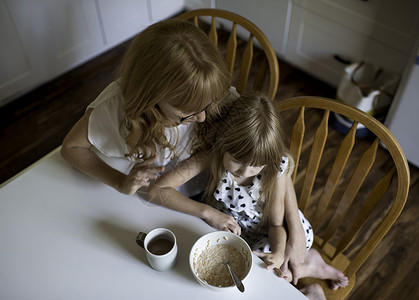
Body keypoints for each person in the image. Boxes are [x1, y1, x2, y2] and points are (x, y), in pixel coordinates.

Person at [147, 91, 348, 300]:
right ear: (223, 143)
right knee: (253, 275)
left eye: (254, 167)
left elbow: (276, 225)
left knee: (262, 276)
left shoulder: (273, 169)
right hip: (240, 234)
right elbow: (156, 191)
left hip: (267, 235)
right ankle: (309, 267)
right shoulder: (210, 155)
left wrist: (279, 253)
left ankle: (310, 273)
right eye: (236, 161)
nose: (244, 172)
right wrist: (208, 213)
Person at [61, 19, 230, 196]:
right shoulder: (113, 109)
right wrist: (119, 181)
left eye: (207, 105)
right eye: (187, 112)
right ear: (151, 97)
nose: (202, 117)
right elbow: (71, 148)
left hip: (200, 184)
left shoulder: (208, 91)